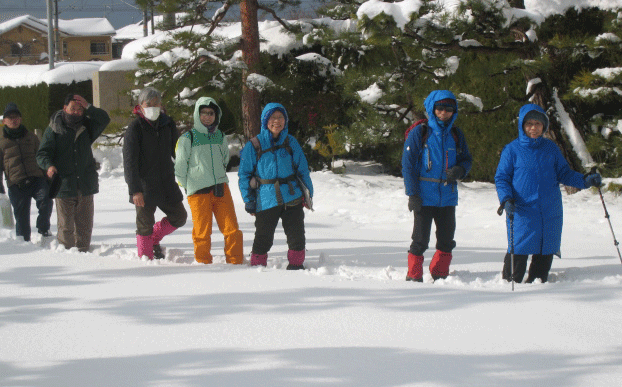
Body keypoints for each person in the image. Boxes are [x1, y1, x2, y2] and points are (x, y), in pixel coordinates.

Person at [495, 103, 602, 283]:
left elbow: (564, 173)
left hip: (549, 208)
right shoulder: (512, 150)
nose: (533, 128)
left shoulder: (551, 148)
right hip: (522, 208)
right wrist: (506, 198)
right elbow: (502, 178)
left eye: (537, 124)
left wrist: (585, 181)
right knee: (519, 244)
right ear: (522, 125)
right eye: (529, 124)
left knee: (546, 244)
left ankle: (538, 282)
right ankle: (510, 281)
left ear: (544, 126)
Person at [402, 90, 472, 282]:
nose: (444, 112)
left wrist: (460, 170)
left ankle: (440, 274)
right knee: (420, 240)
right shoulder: (421, 132)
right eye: (439, 108)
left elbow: (466, 160)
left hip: (448, 195)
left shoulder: (456, 134)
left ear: (454, 111)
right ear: (432, 109)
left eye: (449, 109)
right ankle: (414, 275)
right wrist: (412, 194)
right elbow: (408, 165)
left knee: (447, 240)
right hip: (424, 196)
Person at [238, 103, 313, 270]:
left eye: (280, 117)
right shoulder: (254, 145)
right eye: (273, 118)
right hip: (266, 198)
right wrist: (249, 200)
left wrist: (308, 195)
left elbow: (302, 170)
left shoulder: (291, 142)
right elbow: (244, 176)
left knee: (297, 237)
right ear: (265, 120)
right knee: (263, 238)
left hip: (292, 196)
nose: (277, 121)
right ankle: (258, 268)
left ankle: (296, 266)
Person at [37, 94, 110, 252]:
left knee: (85, 226)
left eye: (79, 109)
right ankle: (68, 256)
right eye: (72, 109)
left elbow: (104, 119)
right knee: (66, 228)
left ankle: (83, 254)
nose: (76, 112)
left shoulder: (87, 126)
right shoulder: (54, 129)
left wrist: (89, 106)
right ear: (64, 109)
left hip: (85, 184)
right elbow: (42, 154)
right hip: (64, 185)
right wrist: (49, 166)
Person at [174, 97, 243, 264]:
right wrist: (189, 185)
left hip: (220, 187)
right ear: (197, 114)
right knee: (202, 231)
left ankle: (235, 261)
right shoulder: (187, 138)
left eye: (211, 113)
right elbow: (180, 168)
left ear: (216, 115)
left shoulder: (219, 136)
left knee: (232, 228)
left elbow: (224, 159)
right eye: (203, 113)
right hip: (198, 192)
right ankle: (203, 262)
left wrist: (217, 175)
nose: (207, 116)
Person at [123, 87, 187, 260]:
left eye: (156, 103)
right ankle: (146, 258)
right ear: (140, 106)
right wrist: (135, 190)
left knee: (179, 216)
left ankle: (154, 239)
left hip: (166, 183)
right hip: (144, 186)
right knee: (145, 225)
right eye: (148, 104)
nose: (153, 107)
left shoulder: (168, 123)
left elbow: (178, 151)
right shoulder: (135, 128)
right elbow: (129, 162)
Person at [0, 103, 53, 241]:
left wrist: (47, 177)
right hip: (16, 184)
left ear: (21, 119)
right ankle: (24, 244)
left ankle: (44, 230)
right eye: (10, 117)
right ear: (4, 121)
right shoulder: (1, 141)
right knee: (22, 219)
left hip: (36, 179)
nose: (14, 120)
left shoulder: (31, 137)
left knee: (46, 201)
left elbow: (41, 156)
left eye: (16, 116)